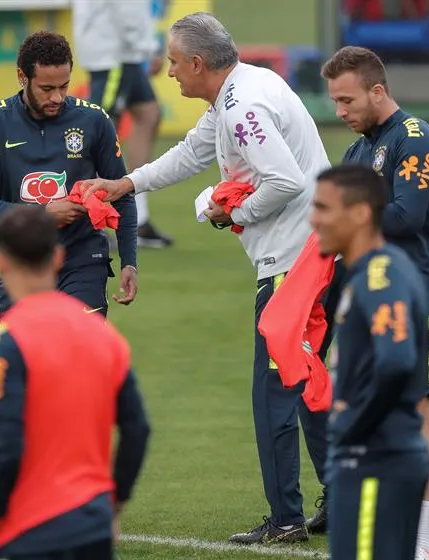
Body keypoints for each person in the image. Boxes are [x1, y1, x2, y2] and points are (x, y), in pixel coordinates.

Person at [80, 11, 340, 545]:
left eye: (175, 62)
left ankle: (286, 518)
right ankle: (339, 499)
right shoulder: (242, 91)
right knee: (304, 381)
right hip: (313, 255)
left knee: (272, 393)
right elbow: (190, 154)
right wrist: (126, 184)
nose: (170, 71)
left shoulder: (242, 106)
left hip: (293, 266)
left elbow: (285, 181)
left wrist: (233, 213)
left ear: (198, 63)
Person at [0, 31, 138, 537]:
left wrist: (129, 260)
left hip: (82, 263)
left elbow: (121, 194)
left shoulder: (93, 120)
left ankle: (72, 501)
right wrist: (42, 213)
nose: (58, 97)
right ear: (23, 78)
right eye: (47, 88)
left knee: (74, 381)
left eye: (64, 86)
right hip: (20, 271)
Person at [0, 205, 150, 560]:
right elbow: (137, 430)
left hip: (29, 531)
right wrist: (115, 505)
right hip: (93, 525)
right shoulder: (103, 336)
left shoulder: (3, 343)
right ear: (58, 257)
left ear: (2, 261)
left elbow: (7, 447)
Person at [321, 45, 429, 560]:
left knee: (417, 413)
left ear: (377, 91)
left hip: (413, 293)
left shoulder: (414, 138)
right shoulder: (358, 152)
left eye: (347, 100)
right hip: (362, 298)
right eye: (335, 101)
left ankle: (423, 545)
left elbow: (406, 216)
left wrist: (349, 223)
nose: (340, 111)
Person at [310, 164, 429, 560]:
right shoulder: (371, 273)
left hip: (375, 462)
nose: (313, 220)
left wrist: (352, 425)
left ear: (360, 213)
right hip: (378, 460)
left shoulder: (382, 275)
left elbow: (396, 361)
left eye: (323, 208)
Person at [72, 0, 174, 249]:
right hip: (113, 51)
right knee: (98, 133)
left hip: (118, 48)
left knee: (148, 114)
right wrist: (149, 47)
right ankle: (84, 221)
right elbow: (127, 8)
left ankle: (137, 218)